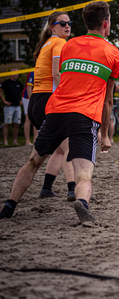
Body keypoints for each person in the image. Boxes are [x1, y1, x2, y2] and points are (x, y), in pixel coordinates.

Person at [0, 0, 119, 224]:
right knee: (84, 171)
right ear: (106, 24)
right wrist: (104, 135)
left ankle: (10, 204)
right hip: (84, 116)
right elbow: (107, 101)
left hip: (55, 110)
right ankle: (82, 202)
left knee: (33, 161)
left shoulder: (68, 46)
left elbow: (66, 75)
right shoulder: (113, 53)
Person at [28, 11, 75, 200]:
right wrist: (68, 96)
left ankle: (46, 188)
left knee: (58, 148)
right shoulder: (58, 43)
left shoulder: (47, 43)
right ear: (52, 27)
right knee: (71, 146)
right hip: (48, 99)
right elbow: (57, 74)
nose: (67, 26)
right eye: (62, 23)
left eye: (69, 22)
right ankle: (74, 190)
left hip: (36, 102)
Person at [0, 69, 23, 146]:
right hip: (9, 106)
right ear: (11, 74)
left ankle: (15, 141)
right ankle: (5, 141)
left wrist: (22, 101)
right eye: (14, 73)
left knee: (16, 124)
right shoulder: (6, 83)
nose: (15, 75)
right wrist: (4, 101)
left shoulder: (19, 83)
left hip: (17, 107)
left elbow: (23, 92)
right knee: (7, 124)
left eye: (17, 73)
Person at [22, 71, 36, 146]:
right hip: (27, 97)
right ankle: (27, 141)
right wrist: (32, 100)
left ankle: (35, 141)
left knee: (36, 119)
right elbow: (28, 88)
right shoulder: (32, 72)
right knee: (28, 119)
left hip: (36, 97)